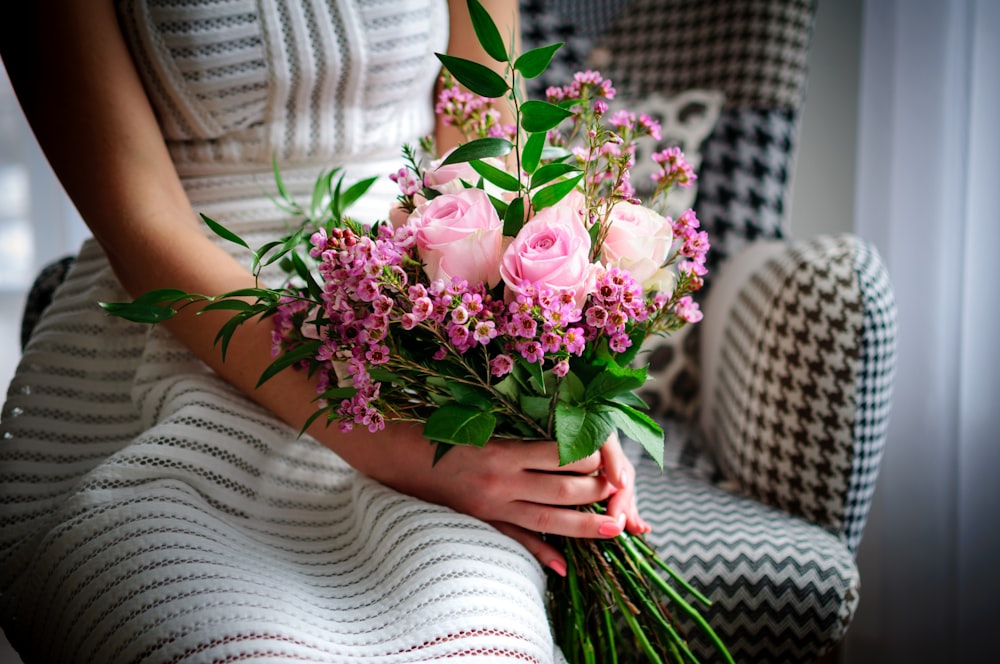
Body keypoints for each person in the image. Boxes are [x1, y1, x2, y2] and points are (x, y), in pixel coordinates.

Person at [0, 1, 646, 660]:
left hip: (418, 329)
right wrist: (386, 448)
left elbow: (485, 150)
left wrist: (552, 398)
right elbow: (143, 230)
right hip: (179, 340)